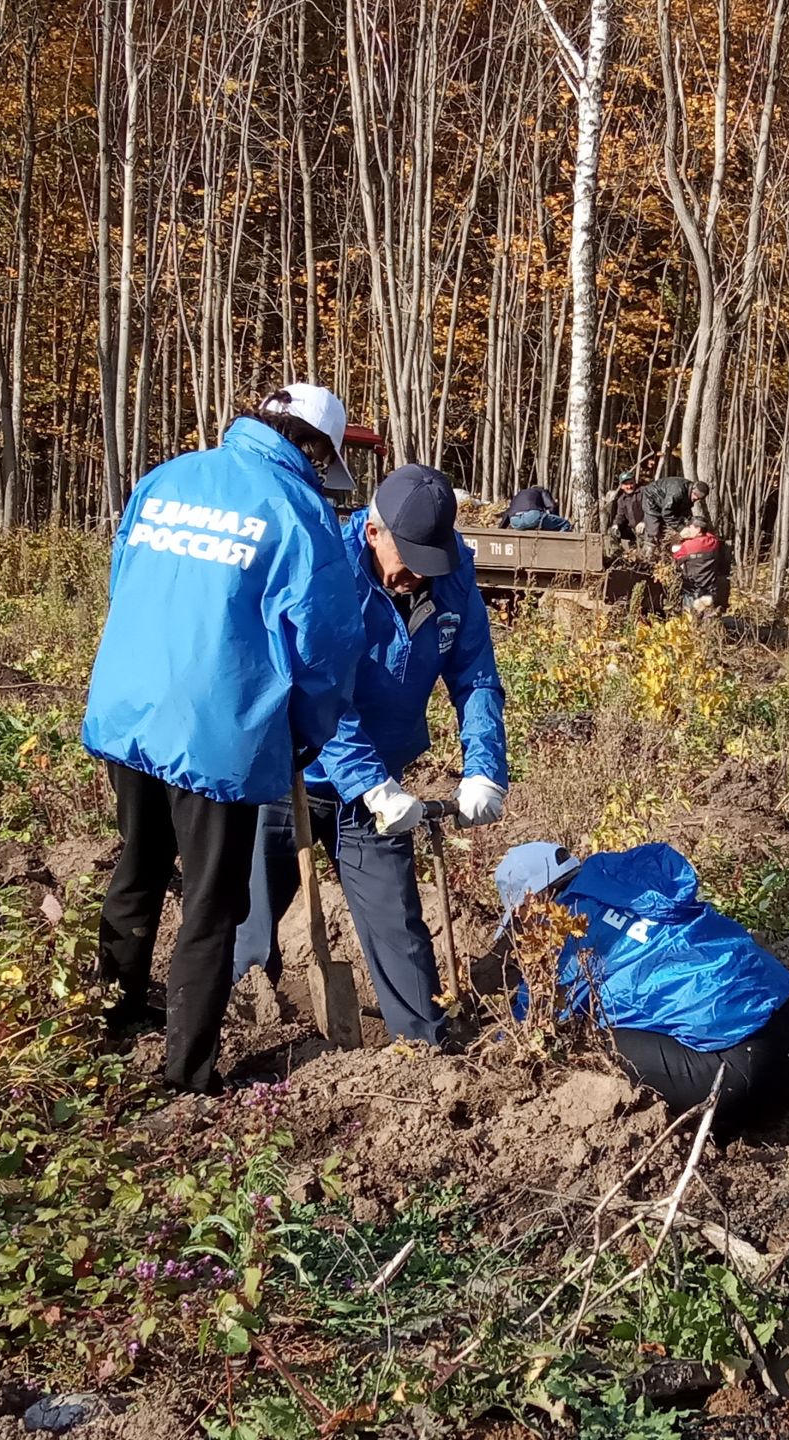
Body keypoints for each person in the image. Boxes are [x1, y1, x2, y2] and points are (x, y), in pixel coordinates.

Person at [82, 384, 366, 1094]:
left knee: (138, 868)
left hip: (129, 712)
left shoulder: (168, 476)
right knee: (212, 902)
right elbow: (329, 646)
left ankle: (109, 1017)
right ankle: (189, 1075)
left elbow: (124, 578)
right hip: (217, 733)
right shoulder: (300, 513)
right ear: (317, 449)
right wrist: (305, 731)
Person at [234, 464, 510, 1045]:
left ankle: (426, 1050)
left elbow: (476, 676)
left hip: (379, 783)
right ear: (373, 533)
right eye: (407, 557)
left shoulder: (450, 574)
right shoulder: (328, 566)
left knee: (400, 930)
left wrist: (484, 766)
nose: (416, 575)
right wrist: (368, 781)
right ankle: (238, 1029)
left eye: (429, 560)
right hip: (293, 774)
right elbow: (323, 686)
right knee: (250, 919)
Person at [493, 841, 789, 1132]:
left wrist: (492, 1048)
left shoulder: (563, 930)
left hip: (737, 1075)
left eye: (520, 920)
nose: (522, 932)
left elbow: (532, 1025)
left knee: (582, 1042)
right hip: (786, 1025)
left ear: (532, 902)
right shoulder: (626, 886)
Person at [671, 521, 731, 618]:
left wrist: (682, 539)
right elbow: (711, 536)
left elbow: (675, 557)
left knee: (690, 617)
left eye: (691, 528)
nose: (689, 530)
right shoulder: (713, 542)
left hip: (693, 588)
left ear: (698, 530)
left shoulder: (688, 545)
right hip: (710, 587)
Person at [500, 485, 572, 532]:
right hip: (532, 517)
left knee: (534, 523)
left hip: (515, 520)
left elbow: (507, 513)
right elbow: (551, 506)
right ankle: (557, 546)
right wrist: (554, 522)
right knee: (565, 524)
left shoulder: (520, 494)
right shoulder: (541, 491)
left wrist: (499, 530)